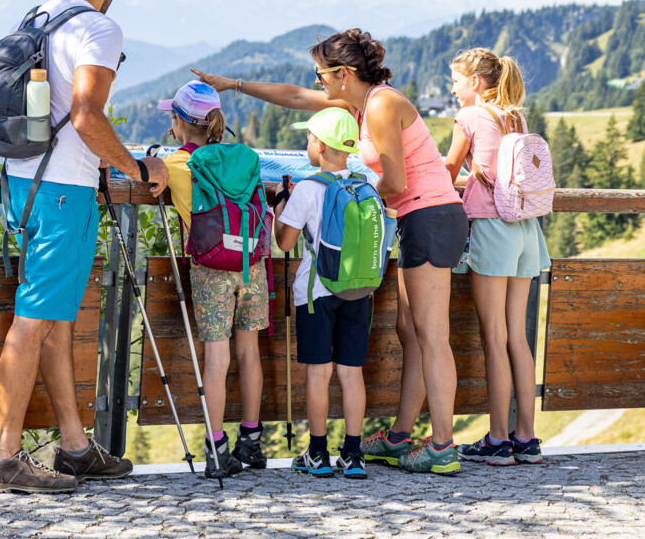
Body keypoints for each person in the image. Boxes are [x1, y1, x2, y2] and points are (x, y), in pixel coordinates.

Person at [193, 27, 468, 475]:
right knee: (410, 330)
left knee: (431, 335)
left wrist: (345, 203)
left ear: (343, 73)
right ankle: (400, 435)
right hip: (420, 219)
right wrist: (233, 85)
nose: (317, 81)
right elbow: (297, 98)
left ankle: (441, 447)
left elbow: (395, 183)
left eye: (322, 73)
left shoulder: (380, 105)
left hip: (429, 217)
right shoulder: (360, 104)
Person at [0, 0, 169, 494]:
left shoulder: (35, 17)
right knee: (34, 319)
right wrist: (138, 169)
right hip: (66, 191)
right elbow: (87, 117)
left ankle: (74, 447)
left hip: (22, 181)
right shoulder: (96, 26)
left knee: (56, 317)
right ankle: (3, 457)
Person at [158, 80, 268, 477]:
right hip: (251, 262)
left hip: (211, 268)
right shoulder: (243, 157)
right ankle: (252, 441)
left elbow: (149, 179)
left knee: (217, 357)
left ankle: (216, 446)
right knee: (249, 352)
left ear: (179, 123)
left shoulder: (177, 164)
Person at [445, 48, 549, 466]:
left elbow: (450, 168)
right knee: (517, 337)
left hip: (492, 227)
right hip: (527, 230)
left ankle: (498, 440)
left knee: (493, 339)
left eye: (455, 81)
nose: (452, 89)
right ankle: (526, 437)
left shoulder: (470, 117)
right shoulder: (514, 117)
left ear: (475, 83)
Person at [273, 107, 370, 480]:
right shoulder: (364, 186)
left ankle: (317, 453)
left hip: (316, 293)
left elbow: (284, 243)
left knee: (319, 372)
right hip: (358, 291)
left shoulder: (310, 188)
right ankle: (353, 454)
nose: (307, 143)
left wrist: (282, 204)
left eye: (310, 138)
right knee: (351, 372)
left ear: (322, 145)